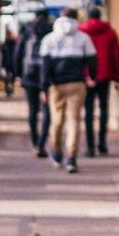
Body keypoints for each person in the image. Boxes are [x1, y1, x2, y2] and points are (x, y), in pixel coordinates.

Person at [36, 13, 97, 171]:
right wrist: (92, 77)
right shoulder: (83, 38)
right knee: (74, 121)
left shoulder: (49, 39)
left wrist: (44, 87)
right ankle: (71, 158)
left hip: (56, 85)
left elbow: (45, 66)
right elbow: (92, 60)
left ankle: (56, 153)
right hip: (77, 83)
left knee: (56, 121)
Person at [78, 4, 119, 157]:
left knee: (89, 111)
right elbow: (117, 56)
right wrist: (118, 77)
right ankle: (102, 144)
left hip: (87, 77)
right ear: (100, 16)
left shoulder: (82, 32)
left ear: (89, 17)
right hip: (104, 76)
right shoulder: (110, 33)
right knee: (104, 109)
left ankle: (90, 147)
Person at [19, 15, 50, 154]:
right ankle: (42, 142)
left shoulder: (27, 33)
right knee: (47, 111)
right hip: (46, 76)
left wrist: (18, 75)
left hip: (29, 76)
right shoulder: (50, 32)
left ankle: (34, 140)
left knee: (32, 110)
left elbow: (18, 54)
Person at [0, 20, 23, 94]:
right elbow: (1, 55)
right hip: (6, 63)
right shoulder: (4, 44)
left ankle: (11, 88)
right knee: (6, 78)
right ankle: (7, 89)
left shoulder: (13, 43)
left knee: (12, 77)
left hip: (12, 62)